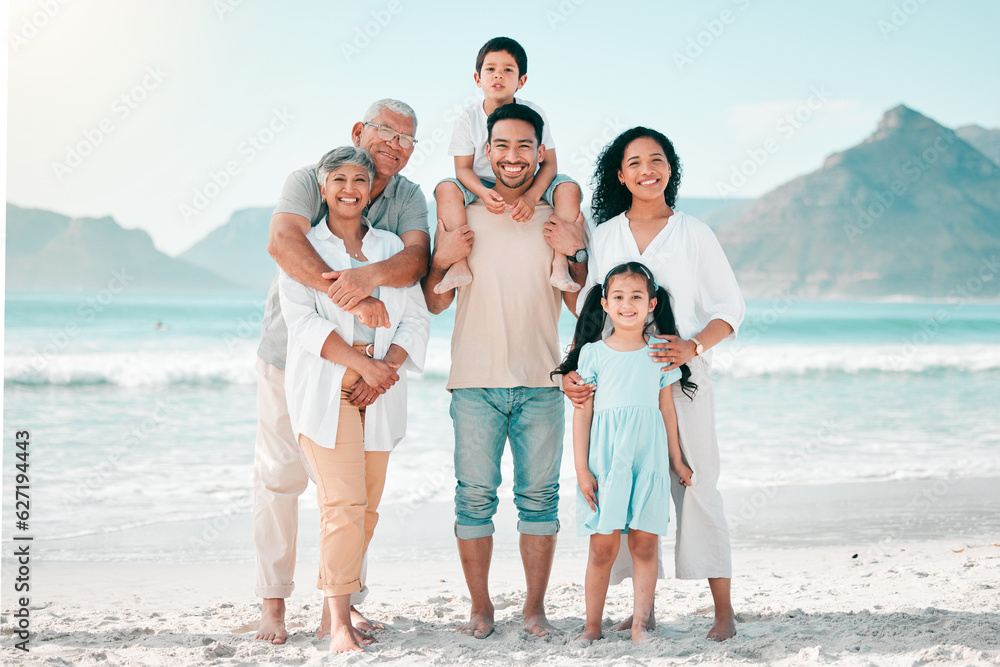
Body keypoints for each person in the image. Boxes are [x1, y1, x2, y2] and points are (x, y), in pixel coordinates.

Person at [254, 99, 430, 645]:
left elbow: (415, 266)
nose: (394, 144)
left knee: (359, 496)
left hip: (371, 370)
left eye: (407, 138)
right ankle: (274, 604)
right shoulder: (311, 178)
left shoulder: (404, 199)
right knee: (284, 480)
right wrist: (358, 303)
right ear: (360, 131)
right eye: (386, 132)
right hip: (294, 359)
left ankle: (344, 605)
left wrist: (380, 365)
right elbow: (284, 244)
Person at [563, 127, 745, 641]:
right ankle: (641, 612)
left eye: (657, 159)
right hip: (617, 386)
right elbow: (591, 309)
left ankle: (723, 610)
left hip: (679, 383)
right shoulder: (606, 234)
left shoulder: (694, 233)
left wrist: (692, 346)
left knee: (697, 484)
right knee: (620, 488)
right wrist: (574, 375)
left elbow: (730, 309)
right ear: (620, 175)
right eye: (635, 162)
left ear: (671, 168)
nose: (648, 169)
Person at [422, 103, 588, 639]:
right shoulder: (462, 212)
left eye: (524, 147)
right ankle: (481, 608)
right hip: (474, 383)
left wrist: (575, 248)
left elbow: (580, 306)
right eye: (502, 146)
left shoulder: (555, 216)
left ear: (540, 153)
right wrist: (445, 258)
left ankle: (534, 610)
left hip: (543, 382)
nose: (512, 157)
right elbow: (435, 303)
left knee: (540, 498)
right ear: (486, 152)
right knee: (474, 497)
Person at [554, 262, 696, 644]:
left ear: (651, 304)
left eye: (636, 296)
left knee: (645, 543)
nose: (627, 304)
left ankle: (639, 625)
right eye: (618, 296)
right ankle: (592, 627)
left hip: (647, 463)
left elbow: (667, 410)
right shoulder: (593, 355)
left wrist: (676, 460)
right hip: (606, 464)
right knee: (602, 548)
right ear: (604, 303)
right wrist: (582, 471)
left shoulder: (660, 353)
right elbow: (582, 417)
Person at [433, 36, 583, 295]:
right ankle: (458, 264)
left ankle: (560, 263)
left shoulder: (533, 112)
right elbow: (463, 169)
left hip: (527, 179)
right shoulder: (467, 117)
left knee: (569, 189)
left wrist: (531, 196)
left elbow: (550, 164)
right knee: (445, 189)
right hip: (481, 182)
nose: (498, 76)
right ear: (477, 78)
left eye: (507, 70)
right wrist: (482, 192)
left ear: (521, 81)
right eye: (490, 69)